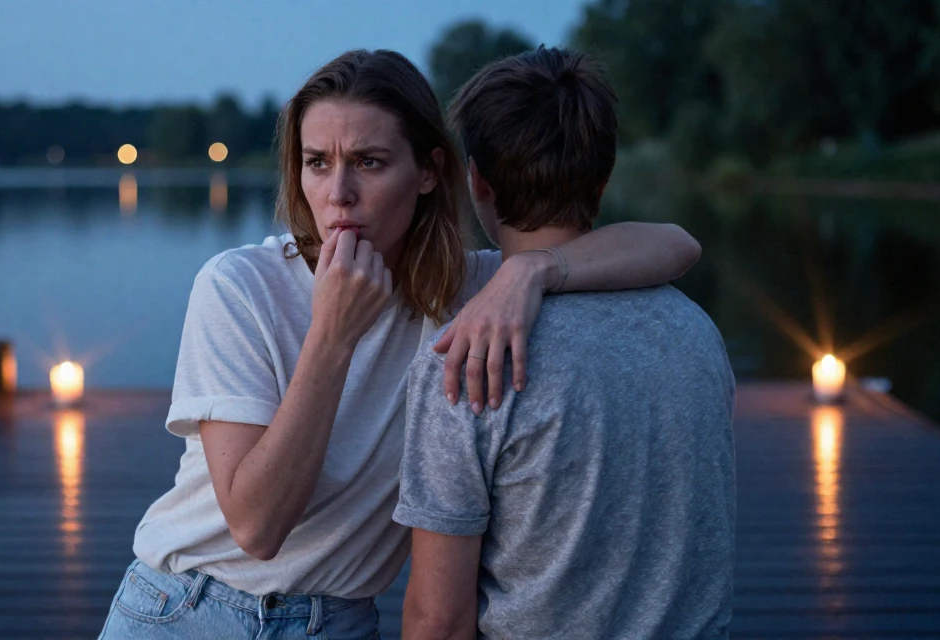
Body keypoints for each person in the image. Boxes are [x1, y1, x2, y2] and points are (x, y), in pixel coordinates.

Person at [98, 49, 702, 640]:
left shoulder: (465, 288)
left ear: (431, 172)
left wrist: (531, 271)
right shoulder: (239, 288)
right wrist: (333, 334)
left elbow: (676, 246)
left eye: (369, 162)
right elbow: (258, 527)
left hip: (341, 620)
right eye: (316, 162)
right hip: (194, 612)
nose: (338, 194)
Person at [395, 47, 736, 640]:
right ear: (603, 181)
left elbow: (439, 623)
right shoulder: (696, 330)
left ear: (478, 181)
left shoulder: (471, 360)